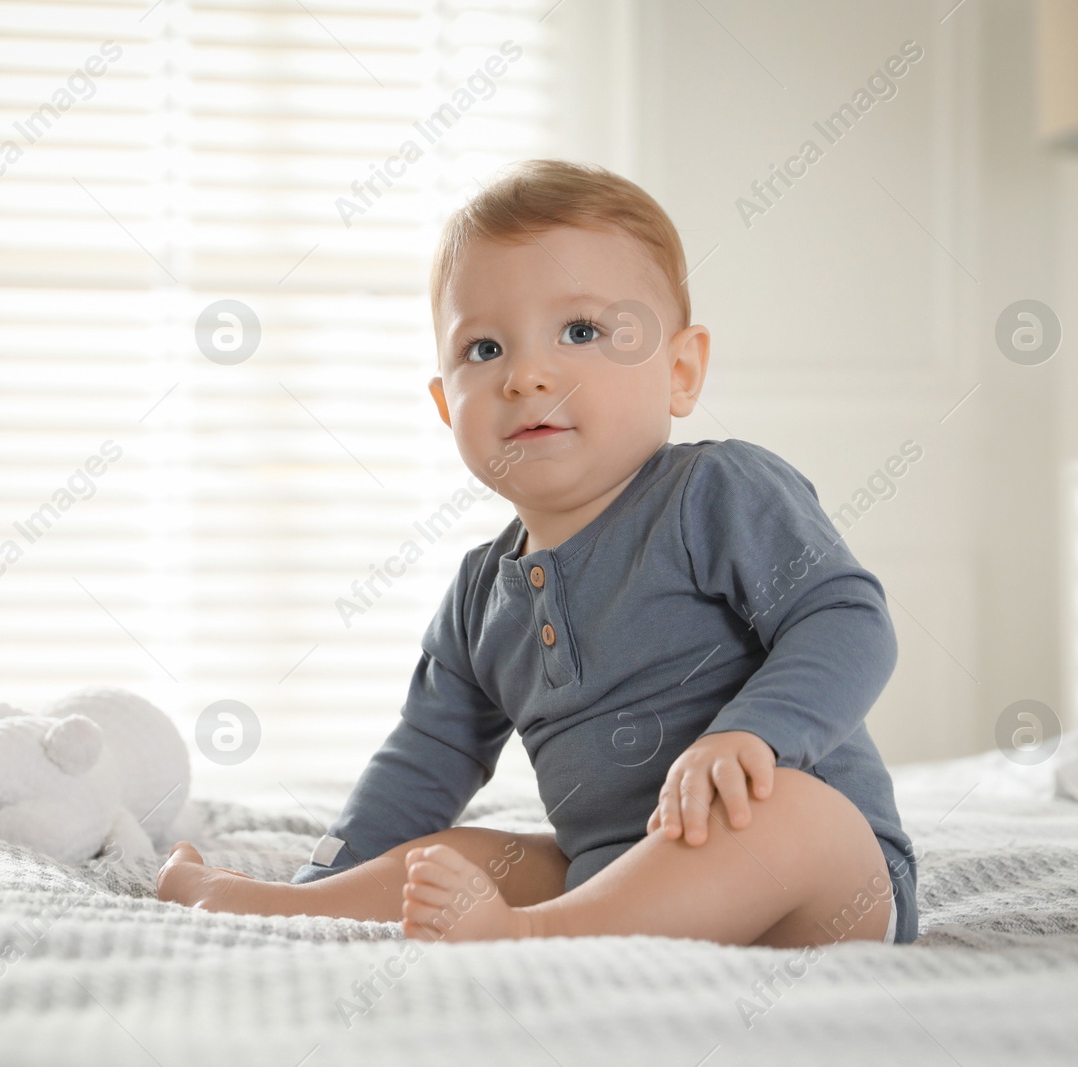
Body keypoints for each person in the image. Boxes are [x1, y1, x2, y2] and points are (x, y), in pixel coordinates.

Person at [158, 158, 918, 947]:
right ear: (445, 401)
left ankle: (526, 936)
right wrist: (337, 870)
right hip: (616, 872)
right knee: (446, 856)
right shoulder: (480, 594)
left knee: (781, 812)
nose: (527, 374)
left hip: (826, 883)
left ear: (680, 370)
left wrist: (753, 733)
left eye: (581, 331)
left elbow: (847, 618)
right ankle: (288, 906)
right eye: (484, 349)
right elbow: (426, 760)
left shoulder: (715, 491)